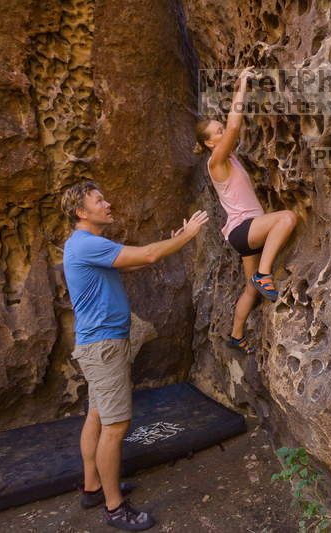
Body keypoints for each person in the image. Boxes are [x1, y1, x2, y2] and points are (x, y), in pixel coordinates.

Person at [61, 181, 209, 531]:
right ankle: (114, 508)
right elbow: (148, 255)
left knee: (97, 416)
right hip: (104, 347)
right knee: (115, 427)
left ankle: (92, 487)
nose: (107, 203)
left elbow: (133, 262)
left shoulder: (86, 246)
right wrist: (186, 236)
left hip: (97, 345)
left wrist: (170, 244)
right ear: (82, 211)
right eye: (100, 200)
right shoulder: (86, 243)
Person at [194, 66, 297, 356]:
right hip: (243, 229)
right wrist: (241, 86)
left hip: (244, 233)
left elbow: (234, 131)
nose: (223, 132)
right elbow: (235, 127)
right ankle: (264, 273)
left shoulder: (229, 159)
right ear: (209, 143)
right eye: (217, 132)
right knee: (288, 217)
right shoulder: (216, 162)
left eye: (220, 128)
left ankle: (236, 336)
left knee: (250, 289)